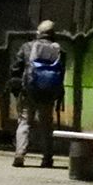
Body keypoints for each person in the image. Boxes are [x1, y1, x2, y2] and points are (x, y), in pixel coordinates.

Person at [8, 19, 65, 167]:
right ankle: (47, 158)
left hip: (29, 92)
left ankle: (20, 154)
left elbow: (16, 69)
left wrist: (17, 87)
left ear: (38, 33)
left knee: (25, 122)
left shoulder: (27, 47)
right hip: (48, 94)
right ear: (53, 34)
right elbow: (61, 74)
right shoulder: (58, 50)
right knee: (46, 125)